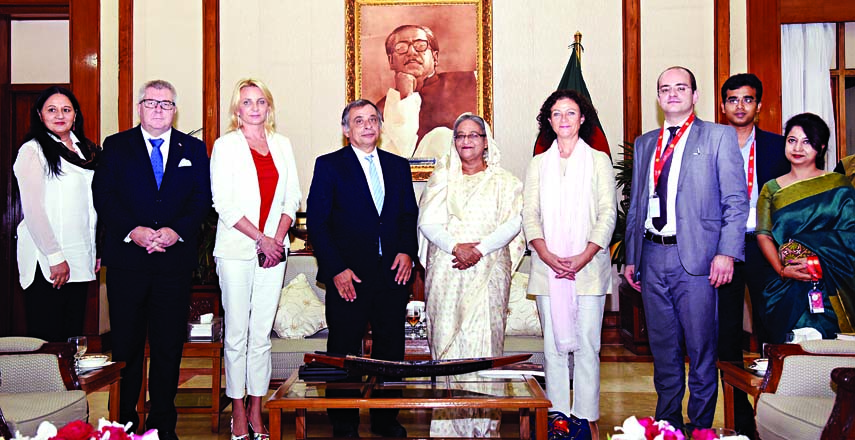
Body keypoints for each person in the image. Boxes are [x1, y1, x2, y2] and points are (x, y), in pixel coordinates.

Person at [622, 66, 748, 431]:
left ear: (695, 96)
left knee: (702, 350)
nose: (672, 94)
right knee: (663, 351)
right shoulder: (646, 142)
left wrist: (726, 252)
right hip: (651, 254)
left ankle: (703, 428)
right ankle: (668, 426)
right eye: (665, 88)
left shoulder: (719, 137)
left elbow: (736, 202)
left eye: (681, 88)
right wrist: (632, 257)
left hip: (698, 260)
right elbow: (637, 204)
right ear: (658, 98)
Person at [93, 80, 212, 440]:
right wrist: (134, 230)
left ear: (175, 110)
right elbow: (105, 195)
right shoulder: (116, 146)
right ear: (138, 108)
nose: (158, 109)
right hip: (129, 261)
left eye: (166, 104)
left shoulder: (192, 148)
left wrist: (176, 231)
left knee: (167, 347)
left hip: (173, 265)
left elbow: (201, 199)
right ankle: (126, 424)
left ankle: (163, 424)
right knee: (127, 346)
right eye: (151, 102)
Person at [306, 99, 418, 438]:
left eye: (373, 119)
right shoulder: (329, 166)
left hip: (391, 276)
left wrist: (407, 252)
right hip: (348, 278)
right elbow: (318, 223)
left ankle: (386, 420)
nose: (367, 125)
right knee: (343, 351)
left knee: (390, 352)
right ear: (346, 130)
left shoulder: (398, 166)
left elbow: (407, 217)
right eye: (359, 120)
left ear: (381, 126)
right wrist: (336, 269)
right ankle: (344, 423)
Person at [418, 113, 524, 437]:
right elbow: (428, 223)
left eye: (473, 135)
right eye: (460, 136)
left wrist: (479, 249)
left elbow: (514, 223)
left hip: (488, 270)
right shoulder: (441, 179)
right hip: (448, 271)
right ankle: (447, 428)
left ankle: (482, 427)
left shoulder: (505, 182)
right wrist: (456, 247)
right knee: (448, 344)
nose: (466, 141)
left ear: (485, 140)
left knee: (483, 344)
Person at [210, 79, 301, 440]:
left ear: (269, 106)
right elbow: (224, 203)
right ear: (237, 109)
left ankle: (256, 411)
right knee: (237, 335)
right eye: (247, 102)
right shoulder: (225, 146)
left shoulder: (282, 144)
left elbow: (291, 198)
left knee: (261, 336)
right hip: (236, 250)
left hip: (274, 251)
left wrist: (275, 241)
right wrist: (260, 239)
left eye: (260, 101)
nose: (254, 107)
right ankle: (236, 413)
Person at [522, 90, 616, 439]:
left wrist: (585, 254)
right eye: (556, 113)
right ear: (548, 121)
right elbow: (529, 214)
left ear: (582, 118)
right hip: (548, 269)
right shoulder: (538, 164)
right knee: (553, 347)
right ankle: (558, 413)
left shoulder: (598, 161)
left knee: (588, 345)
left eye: (571, 113)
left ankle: (584, 416)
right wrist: (545, 254)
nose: (564, 119)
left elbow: (608, 214)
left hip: (589, 269)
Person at [717, 73, 789, 437]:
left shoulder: (778, 147)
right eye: (732, 99)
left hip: (765, 247)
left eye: (747, 99)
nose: (740, 106)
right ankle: (739, 419)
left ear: (759, 105)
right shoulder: (712, 143)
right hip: (725, 248)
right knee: (725, 332)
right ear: (723, 105)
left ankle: (772, 410)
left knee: (770, 329)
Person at [756, 113, 855, 343]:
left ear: (820, 147)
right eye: (792, 140)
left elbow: (851, 234)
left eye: (807, 142)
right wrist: (782, 270)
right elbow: (763, 235)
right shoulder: (771, 189)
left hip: (833, 280)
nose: (798, 147)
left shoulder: (839, 185)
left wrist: (821, 258)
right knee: (791, 352)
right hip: (787, 282)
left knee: (831, 352)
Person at [14, 86, 100, 343]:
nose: (59, 115)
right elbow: (34, 210)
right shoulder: (33, 151)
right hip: (49, 260)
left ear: (76, 115)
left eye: (66, 109)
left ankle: (69, 386)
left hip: (79, 255)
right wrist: (54, 256)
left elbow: (90, 208)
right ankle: (44, 385)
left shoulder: (86, 151)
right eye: (52, 109)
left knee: (71, 338)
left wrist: (94, 251)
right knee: (49, 339)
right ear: (40, 115)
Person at [377, 24, 478, 158]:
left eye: (420, 45)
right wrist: (405, 97)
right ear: (391, 61)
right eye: (401, 48)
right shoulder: (380, 110)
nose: (411, 52)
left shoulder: (473, 81)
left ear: (435, 57)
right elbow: (395, 159)